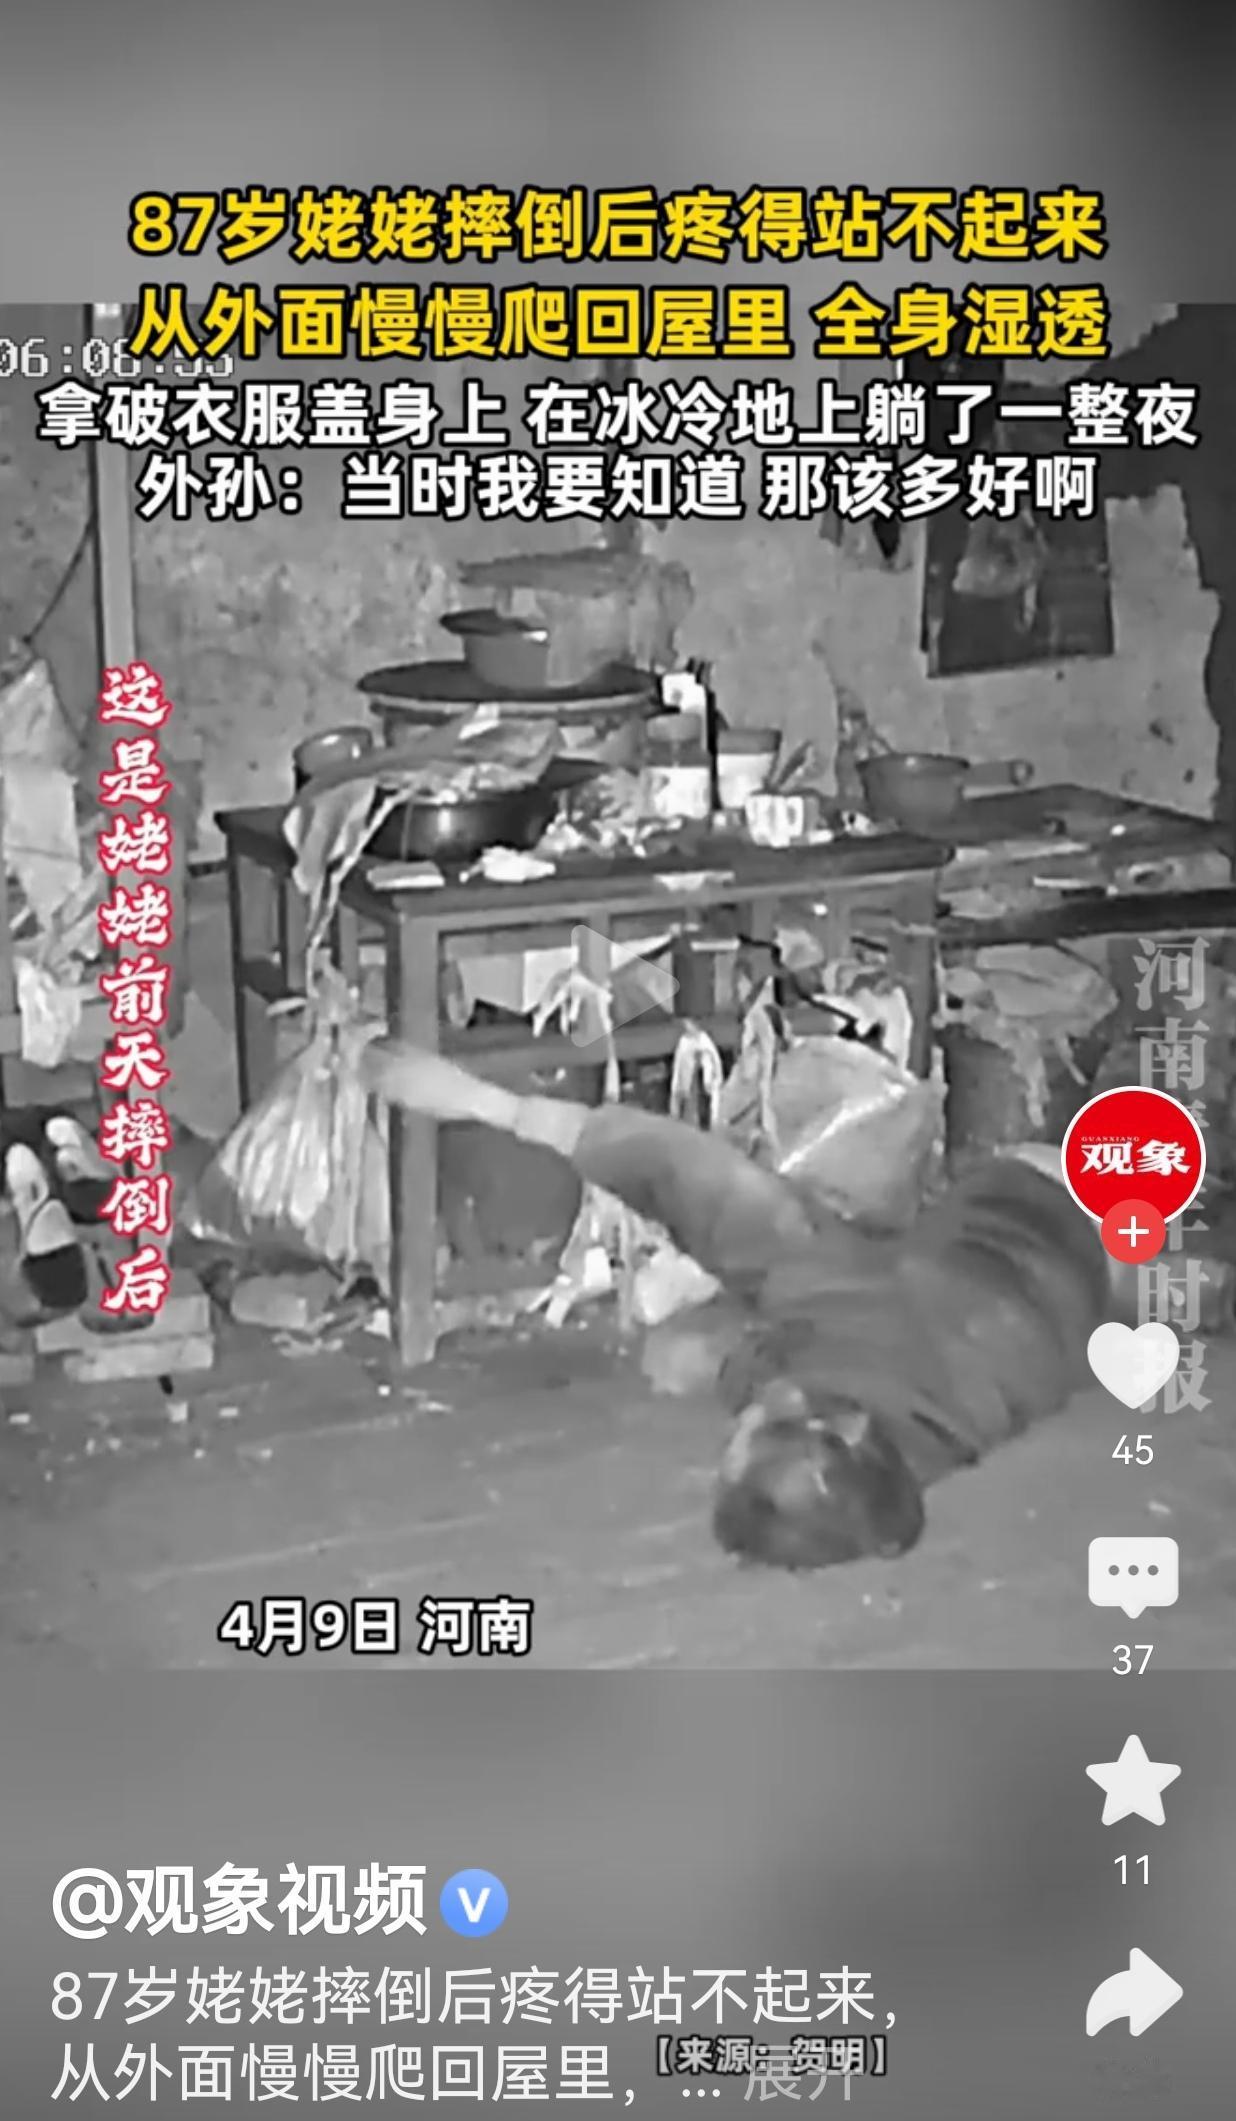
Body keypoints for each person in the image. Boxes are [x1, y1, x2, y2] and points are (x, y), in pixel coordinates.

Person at [364, 1040, 1110, 1573]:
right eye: (752, 1426)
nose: (740, 1421)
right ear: (841, 1425)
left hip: (1071, 1289)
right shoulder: (844, 1312)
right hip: (1041, 1194)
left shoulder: (893, 1467)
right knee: (689, 1341)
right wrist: (480, 1101)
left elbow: (798, 1410)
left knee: (679, 1356)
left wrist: (727, 1361)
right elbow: (693, 1177)